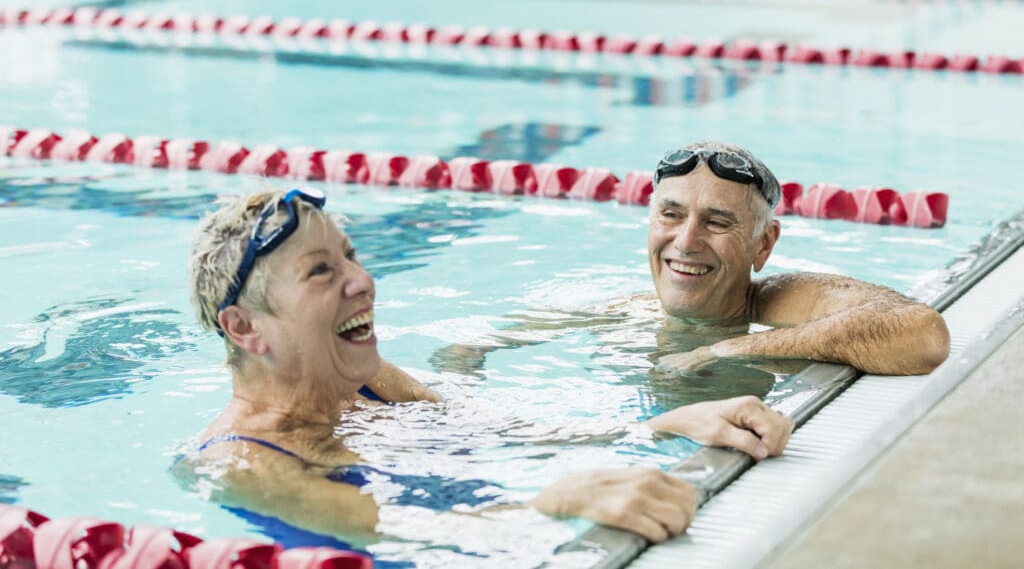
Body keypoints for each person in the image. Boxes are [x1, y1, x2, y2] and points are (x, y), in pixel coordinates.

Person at [177, 188, 793, 553]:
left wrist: (669, 423)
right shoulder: (238, 461)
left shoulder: (363, 379)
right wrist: (548, 507)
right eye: (321, 272)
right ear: (245, 328)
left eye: (351, 257)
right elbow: (408, 529)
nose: (362, 282)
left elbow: (497, 428)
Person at [648, 141, 950, 376]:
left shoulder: (778, 302)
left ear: (763, 244)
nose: (686, 242)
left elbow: (924, 333)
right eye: (671, 215)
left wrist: (724, 350)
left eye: (717, 222)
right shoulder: (628, 312)